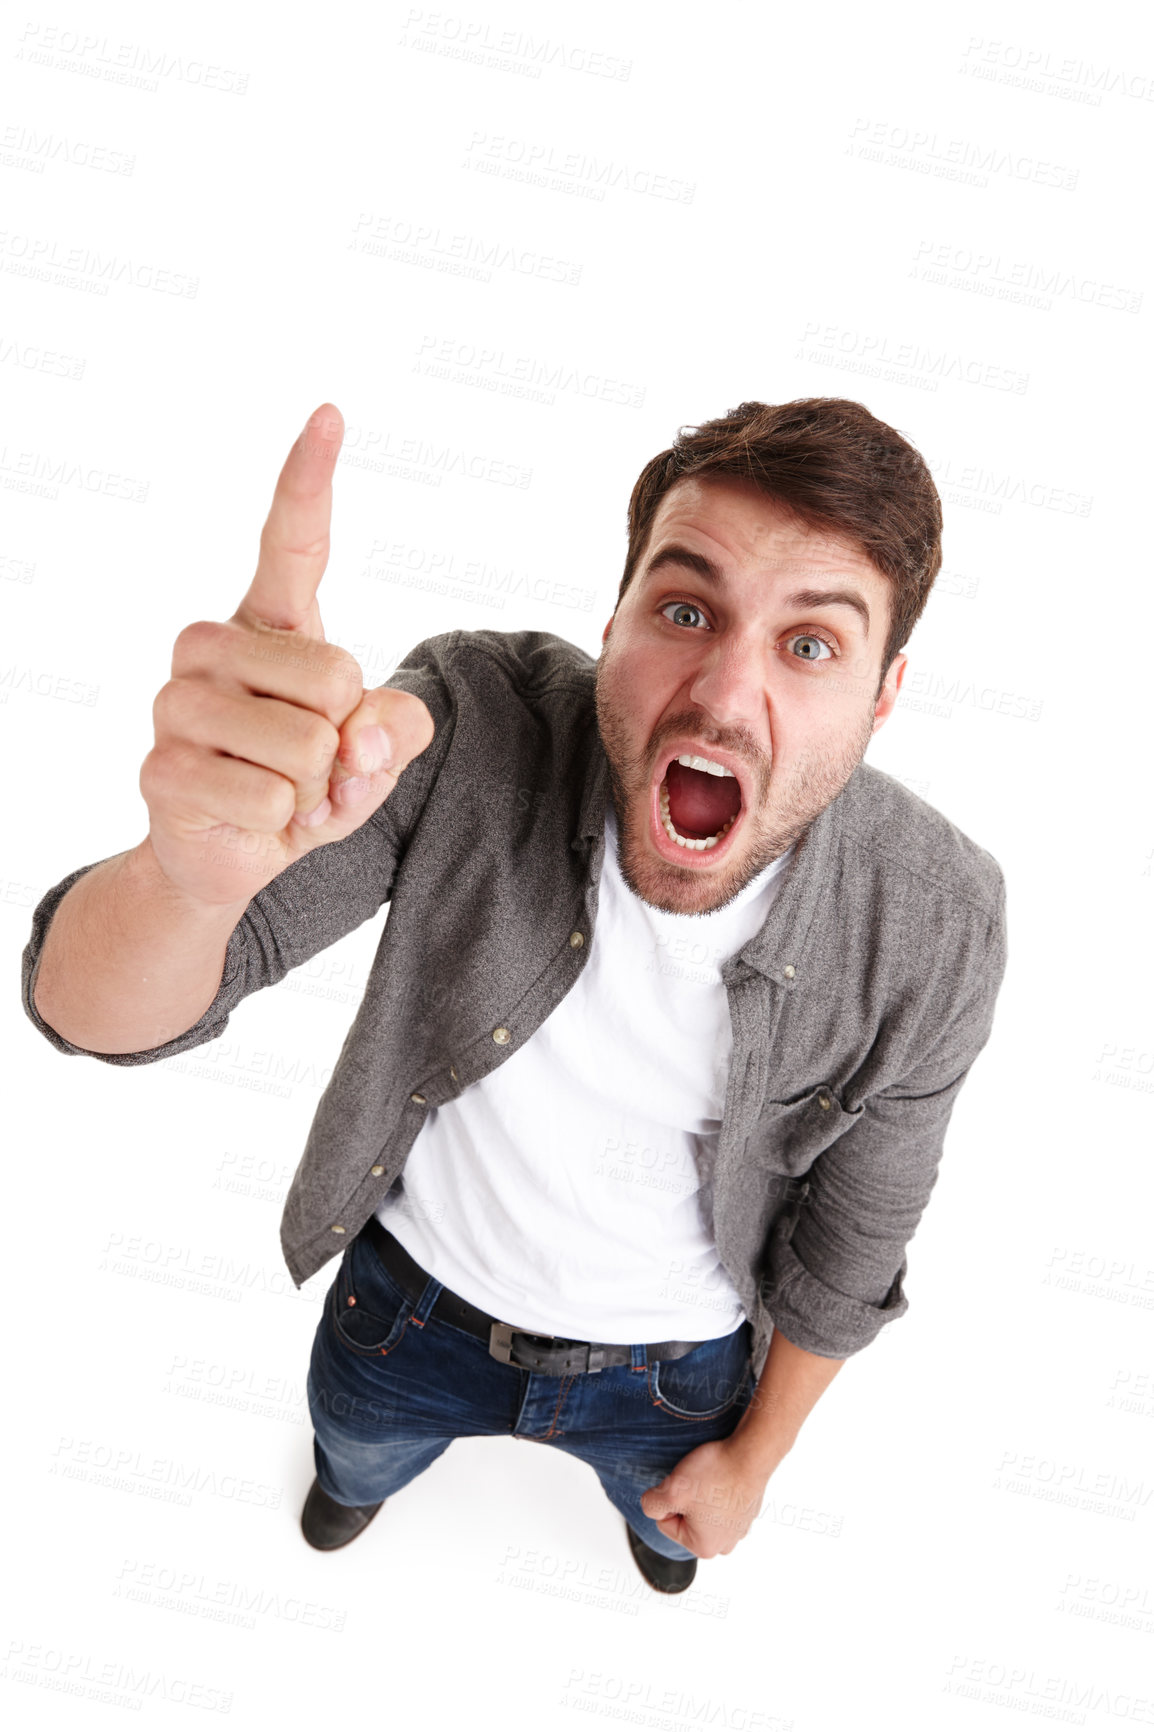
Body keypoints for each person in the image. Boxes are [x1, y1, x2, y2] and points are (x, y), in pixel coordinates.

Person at [22, 396, 1008, 1595]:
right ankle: (349, 1488)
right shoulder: (475, 720)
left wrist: (751, 1457)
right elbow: (85, 1011)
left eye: (810, 645)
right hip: (404, 1312)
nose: (719, 693)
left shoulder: (939, 919)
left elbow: (854, 1243)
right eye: (684, 609)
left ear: (883, 695)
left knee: (670, 1534)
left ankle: (652, 1531)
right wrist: (185, 879)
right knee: (355, 1457)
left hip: (679, 1376)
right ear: (616, 616)